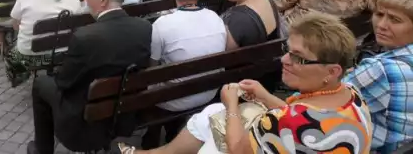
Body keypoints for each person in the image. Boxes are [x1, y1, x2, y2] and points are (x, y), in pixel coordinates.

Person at [119, 13, 372, 154]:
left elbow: (238, 149)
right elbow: (294, 114)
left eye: (299, 58)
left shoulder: (287, 122)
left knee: (219, 120)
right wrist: (263, 95)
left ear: (332, 70)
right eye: (287, 50)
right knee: (210, 114)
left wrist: (230, 104)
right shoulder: (350, 95)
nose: (284, 59)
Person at [26, 0, 152, 154]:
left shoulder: (85, 37)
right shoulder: (144, 27)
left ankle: (42, 149)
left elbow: (64, 83)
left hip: (84, 126)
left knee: (41, 83)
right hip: (124, 115)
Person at [140, 0, 227, 149]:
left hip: (173, 100)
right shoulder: (216, 18)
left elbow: (152, 67)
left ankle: (155, 137)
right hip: (209, 92)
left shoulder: (162, 24)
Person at [344, 0, 413, 153]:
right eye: (379, 14)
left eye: (395, 19)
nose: (382, 25)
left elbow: (312, 109)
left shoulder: (381, 70)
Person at [6, 0, 82, 86]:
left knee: (11, 53)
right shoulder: (74, 2)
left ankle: (19, 78)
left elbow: (15, 25)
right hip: (62, 53)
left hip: (29, 56)